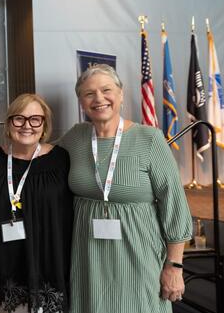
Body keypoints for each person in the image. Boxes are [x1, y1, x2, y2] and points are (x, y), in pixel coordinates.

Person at [60, 64, 191, 312]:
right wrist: (0, 153)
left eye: (106, 90)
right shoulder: (75, 138)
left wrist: (174, 267)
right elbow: (38, 156)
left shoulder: (150, 139)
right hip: (89, 258)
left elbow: (174, 205)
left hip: (139, 255)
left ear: (120, 94)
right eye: (89, 93)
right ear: (81, 102)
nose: (99, 98)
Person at [0, 94, 72, 313]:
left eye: (35, 119)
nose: (27, 126)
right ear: (9, 123)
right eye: (19, 119)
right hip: (4, 267)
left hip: (50, 265)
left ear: (44, 124)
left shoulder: (63, 160)